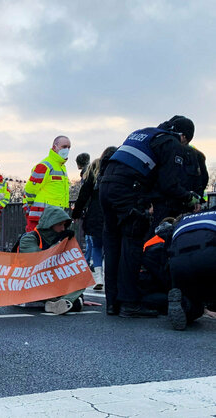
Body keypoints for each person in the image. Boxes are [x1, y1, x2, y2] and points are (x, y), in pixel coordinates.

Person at [100, 116, 200, 318]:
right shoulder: (171, 143)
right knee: (132, 242)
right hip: (128, 189)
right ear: (183, 136)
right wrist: (189, 198)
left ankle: (112, 303)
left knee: (112, 244)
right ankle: (129, 304)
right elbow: (168, 184)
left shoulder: (144, 133)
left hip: (105, 187)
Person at [17, 206, 84, 314]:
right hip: (28, 281)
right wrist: (58, 243)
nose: (63, 229)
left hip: (50, 280)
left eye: (64, 225)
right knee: (76, 303)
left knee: (81, 271)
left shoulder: (60, 237)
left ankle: (63, 301)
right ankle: (67, 301)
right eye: (60, 225)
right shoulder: (29, 238)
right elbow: (37, 261)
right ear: (49, 224)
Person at [72, 147, 118, 290]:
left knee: (96, 246)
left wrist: (76, 214)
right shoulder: (117, 169)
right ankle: (112, 277)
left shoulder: (93, 171)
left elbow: (83, 195)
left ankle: (98, 277)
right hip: (112, 213)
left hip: (94, 214)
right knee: (111, 247)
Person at [150, 116, 205, 231]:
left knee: (158, 241)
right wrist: (195, 200)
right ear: (184, 136)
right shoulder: (194, 155)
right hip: (180, 208)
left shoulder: (163, 146)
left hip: (166, 207)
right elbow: (200, 181)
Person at [167, 210, 216, 330]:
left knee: (195, 303)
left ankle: (184, 305)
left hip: (179, 263)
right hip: (208, 256)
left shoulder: (180, 224)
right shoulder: (213, 215)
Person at [24, 136, 71, 232]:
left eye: (69, 147)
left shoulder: (61, 167)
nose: (67, 149)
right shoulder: (45, 165)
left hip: (54, 215)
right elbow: (30, 189)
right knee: (36, 243)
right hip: (42, 215)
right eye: (64, 146)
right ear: (54, 147)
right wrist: (32, 206)